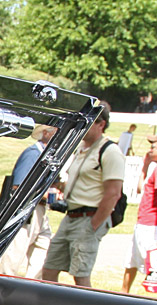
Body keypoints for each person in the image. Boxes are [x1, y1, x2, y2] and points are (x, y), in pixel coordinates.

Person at [40, 104, 124, 288]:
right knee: (49, 269)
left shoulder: (110, 151)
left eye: (88, 122)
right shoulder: (82, 148)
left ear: (101, 124)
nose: (82, 126)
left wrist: (94, 225)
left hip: (89, 217)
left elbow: (113, 193)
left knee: (80, 275)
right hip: (71, 216)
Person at [0, 125, 57, 277]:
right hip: (26, 211)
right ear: (45, 133)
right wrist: (46, 195)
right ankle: (3, 288)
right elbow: (19, 186)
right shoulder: (32, 154)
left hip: (39, 211)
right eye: (55, 132)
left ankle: (32, 286)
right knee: (15, 254)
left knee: (42, 247)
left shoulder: (45, 155)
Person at [122, 132, 157, 293]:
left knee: (155, 270)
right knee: (131, 262)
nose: (150, 150)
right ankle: (122, 295)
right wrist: (145, 165)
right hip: (144, 221)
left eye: (153, 147)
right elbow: (140, 189)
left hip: (151, 224)